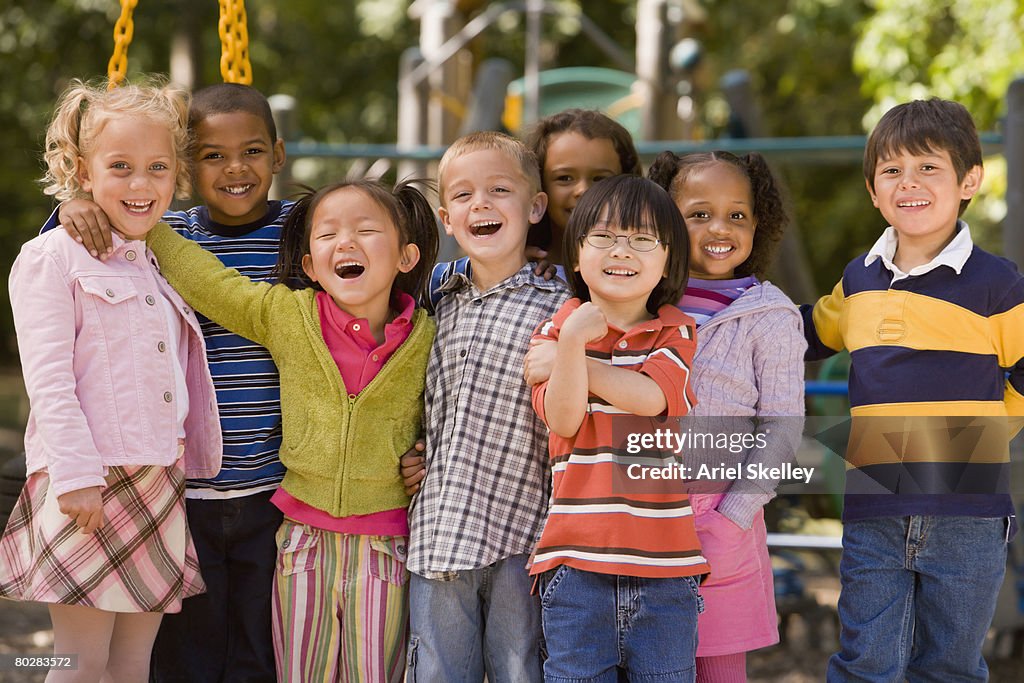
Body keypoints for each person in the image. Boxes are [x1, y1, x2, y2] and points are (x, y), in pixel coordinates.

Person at [143, 178, 439, 682]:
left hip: (387, 545)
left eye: (366, 230)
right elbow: (211, 283)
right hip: (302, 540)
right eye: (327, 235)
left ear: (405, 258)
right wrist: (145, 225)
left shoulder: (431, 334)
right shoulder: (288, 315)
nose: (345, 242)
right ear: (309, 266)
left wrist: (425, 448)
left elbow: (451, 411)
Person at [44, 83, 290, 683]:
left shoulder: (300, 231)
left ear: (277, 156)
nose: (235, 168)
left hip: (271, 485)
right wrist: (72, 206)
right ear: (189, 166)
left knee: (260, 646)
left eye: (253, 152)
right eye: (211, 155)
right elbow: (83, 248)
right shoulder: (163, 233)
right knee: (172, 655)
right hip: (180, 490)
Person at [0, 77, 222, 683]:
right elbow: (48, 381)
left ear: (175, 174)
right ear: (80, 168)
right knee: (77, 661)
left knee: (132, 663)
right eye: (119, 167)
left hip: (157, 482)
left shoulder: (156, 259)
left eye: (156, 168)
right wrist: (74, 476)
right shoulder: (50, 259)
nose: (140, 184)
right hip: (88, 484)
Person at [803, 98, 1024, 682]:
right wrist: (722, 310)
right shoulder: (858, 280)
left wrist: (986, 433)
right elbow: (806, 335)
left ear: (969, 179)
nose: (909, 183)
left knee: (950, 666)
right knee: (865, 662)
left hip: (968, 512)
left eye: (928, 167)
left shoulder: (999, 285)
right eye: (892, 171)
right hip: (875, 504)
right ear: (874, 190)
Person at [405, 131, 571, 682]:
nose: (481, 204)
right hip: (442, 520)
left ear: (534, 207)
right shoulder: (436, 296)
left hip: (525, 525)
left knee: (519, 666)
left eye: (499, 189)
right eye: (463, 195)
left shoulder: (563, 301)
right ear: (447, 218)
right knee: (437, 669)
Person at [527, 175, 705, 682]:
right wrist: (569, 344)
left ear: (668, 261)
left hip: (667, 569)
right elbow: (563, 419)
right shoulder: (555, 330)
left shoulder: (675, 329)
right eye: (603, 237)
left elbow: (652, 398)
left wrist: (578, 363)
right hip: (575, 566)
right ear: (577, 256)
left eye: (642, 239)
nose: (621, 250)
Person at [648, 150, 806, 682]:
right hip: (638, 511)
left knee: (716, 667)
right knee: (647, 661)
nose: (720, 227)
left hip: (721, 515)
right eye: (698, 213)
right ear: (666, 219)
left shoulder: (770, 314)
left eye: (736, 214)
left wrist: (734, 513)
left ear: (758, 223)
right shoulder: (640, 300)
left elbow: (782, 423)